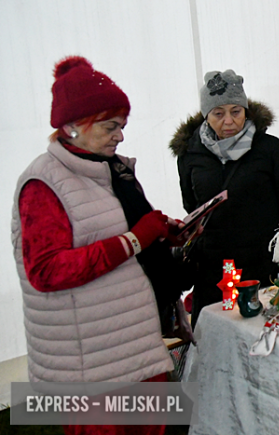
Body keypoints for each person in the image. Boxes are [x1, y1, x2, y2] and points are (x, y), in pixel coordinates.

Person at [12, 56, 186, 434]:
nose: (120, 136)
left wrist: (161, 233)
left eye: (121, 126)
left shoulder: (111, 171)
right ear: (73, 126)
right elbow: (46, 270)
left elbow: (120, 230)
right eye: (110, 126)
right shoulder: (43, 184)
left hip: (135, 350)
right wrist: (136, 238)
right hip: (91, 371)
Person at [170, 69, 279, 326]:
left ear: (246, 110)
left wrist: (271, 241)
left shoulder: (270, 149)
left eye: (236, 111)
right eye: (218, 114)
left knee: (262, 328)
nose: (229, 121)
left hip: (262, 263)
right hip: (214, 267)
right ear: (206, 116)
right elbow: (192, 204)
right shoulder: (190, 155)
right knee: (217, 329)